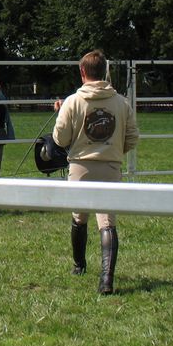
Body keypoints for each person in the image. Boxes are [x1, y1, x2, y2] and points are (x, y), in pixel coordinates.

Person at [51, 50, 139, 295]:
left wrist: (60, 114)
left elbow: (60, 138)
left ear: (82, 72)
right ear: (105, 72)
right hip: (111, 165)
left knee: (79, 217)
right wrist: (113, 151)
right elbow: (132, 137)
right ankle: (106, 280)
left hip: (80, 166)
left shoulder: (72, 101)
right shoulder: (121, 102)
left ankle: (79, 266)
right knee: (107, 222)